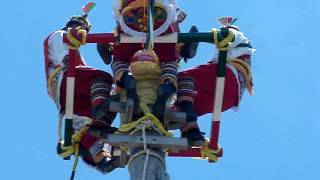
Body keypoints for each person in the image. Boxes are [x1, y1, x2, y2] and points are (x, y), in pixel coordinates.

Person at [104, 0, 204, 146]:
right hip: (153, 21)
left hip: (135, 21)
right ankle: (169, 80)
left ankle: (124, 78)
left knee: (121, 59)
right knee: (169, 59)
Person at [44, 14, 119, 174]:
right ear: (71, 26)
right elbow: (66, 60)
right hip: (65, 81)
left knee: (90, 129)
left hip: (70, 95)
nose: (82, 32)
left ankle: (102, 160)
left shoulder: (75, 52)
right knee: (102, 78)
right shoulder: (60, 36)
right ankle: (99, 107)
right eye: (81, 28)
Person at [177, 17, 255, 118]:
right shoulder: (239, 52)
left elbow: (224, 35)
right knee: (183, 109)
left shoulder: (238, 36)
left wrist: (193, 38)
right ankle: (190, 129)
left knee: (180, 78)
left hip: (227, 77)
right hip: (230, 100)